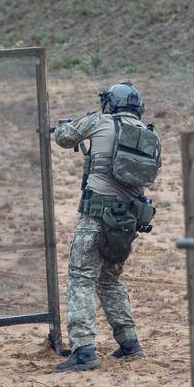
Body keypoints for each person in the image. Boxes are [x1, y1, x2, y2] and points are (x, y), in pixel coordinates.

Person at [51, 81, 161, 371]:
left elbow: (63, 137)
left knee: (81, 278)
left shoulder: (100, 122)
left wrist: (66, 124)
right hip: (127, 221)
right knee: (110, 279)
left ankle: (84, 349)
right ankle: (129, 342)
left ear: (111, 103)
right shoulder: (151, 136)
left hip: (96, 216)